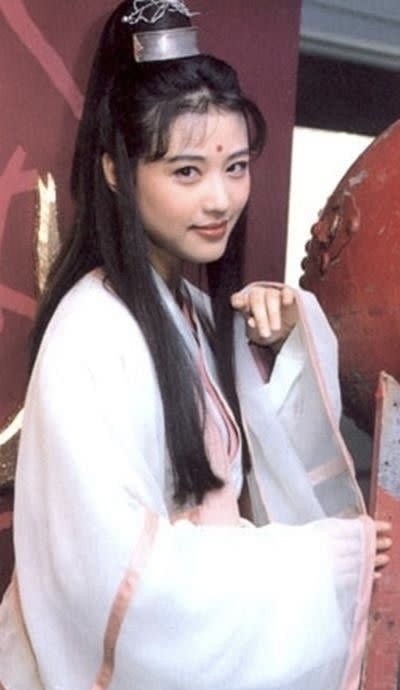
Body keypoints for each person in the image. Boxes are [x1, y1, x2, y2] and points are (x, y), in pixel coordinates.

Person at [0, 1, 391, 689]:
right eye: (187, 172)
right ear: (116, 170)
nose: (220, 200)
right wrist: (317, 563)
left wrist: (282, 346)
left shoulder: (195, 313)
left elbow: (258, 471)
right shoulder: (91, 333)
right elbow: (114, 579)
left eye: (236, 167)